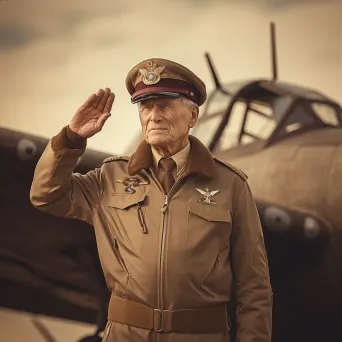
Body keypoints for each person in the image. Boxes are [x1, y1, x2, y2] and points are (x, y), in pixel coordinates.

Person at [30, 58, 272, 342]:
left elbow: (254, 286)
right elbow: (46, 195)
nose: (154, 115)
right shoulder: (110, 176)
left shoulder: (231, 185)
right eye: (146, 106)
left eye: (165, 105)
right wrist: (71, 139)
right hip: (125, 334)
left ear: (193, 116)